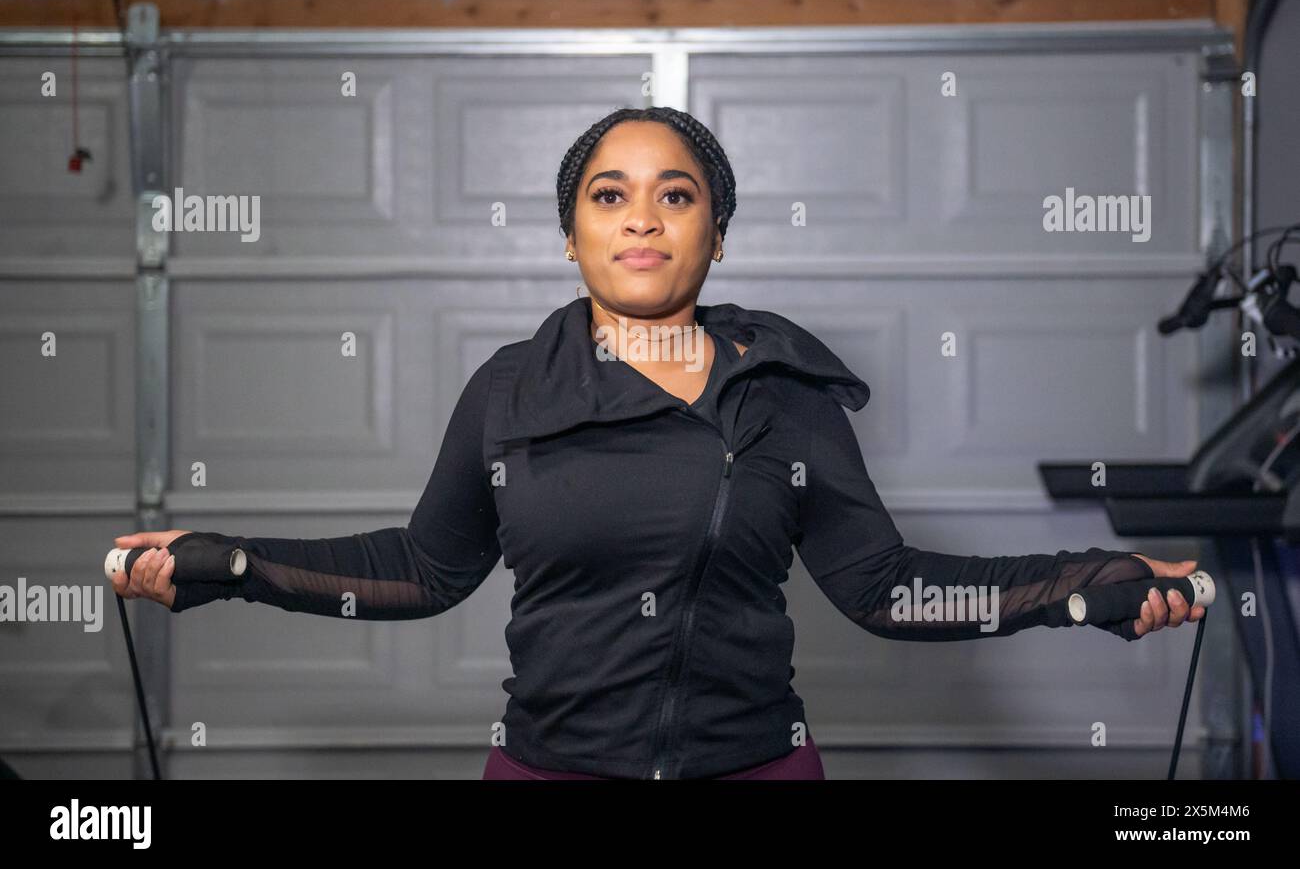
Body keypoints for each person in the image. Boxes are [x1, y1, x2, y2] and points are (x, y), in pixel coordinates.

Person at [111, 106, 1205, 780]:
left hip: (758, 769)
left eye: (674, 195)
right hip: (546, 774)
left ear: (714, 234)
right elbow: (425, 567)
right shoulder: (508, 390)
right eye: (610, 194)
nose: (642, 217)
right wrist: (233, 565)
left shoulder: (786, 396)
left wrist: (1083, 586)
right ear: (573, 231)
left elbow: (885, 589)